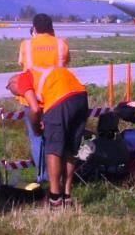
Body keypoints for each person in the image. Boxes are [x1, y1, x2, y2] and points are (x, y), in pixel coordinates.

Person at [7, 67, 88, 208]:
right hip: (80, 98)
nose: (21, 96)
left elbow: (34, 109)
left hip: (59, 100)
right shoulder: (44, 74)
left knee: (53, 151)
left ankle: (55, 199)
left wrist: (36, 129)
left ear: (13, 83)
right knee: (69, 151)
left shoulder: (22, 78)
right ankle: (67, 196)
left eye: (19, 94)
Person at [17, 14, 70, 182]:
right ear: (52, 28)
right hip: (56, 97)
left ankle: (43, 177)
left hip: (32, 98)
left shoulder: (26, 45)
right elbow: (66, 62)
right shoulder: (61, 44)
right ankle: (58, 177)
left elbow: (21, 63)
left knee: (36, 138)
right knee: (56, 138)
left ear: (34, 28)